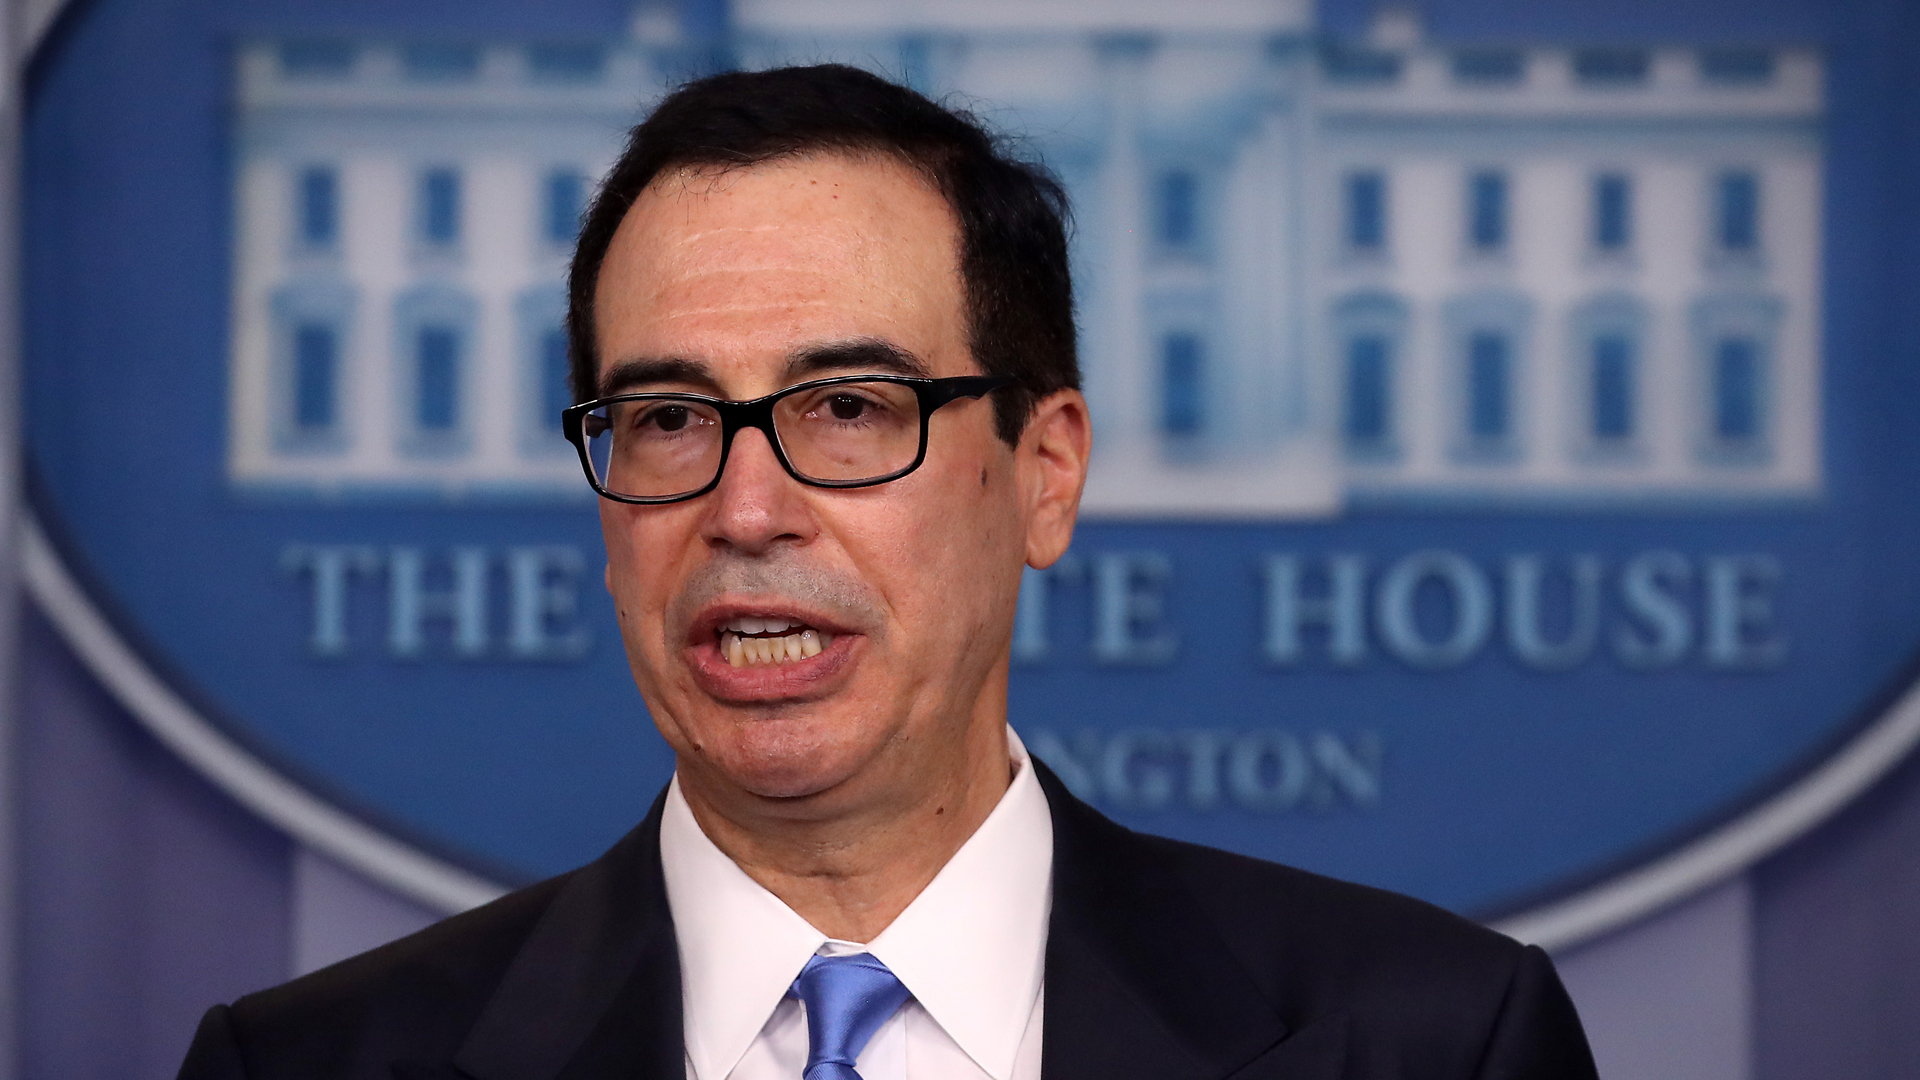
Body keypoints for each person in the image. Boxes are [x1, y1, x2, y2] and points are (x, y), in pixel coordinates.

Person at [177, 64, 1598, 1080]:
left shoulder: (1431, 1040)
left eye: (848, 407)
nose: (746, 509)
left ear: (1045, 472)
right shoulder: (310, 1063)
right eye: (668, 420)